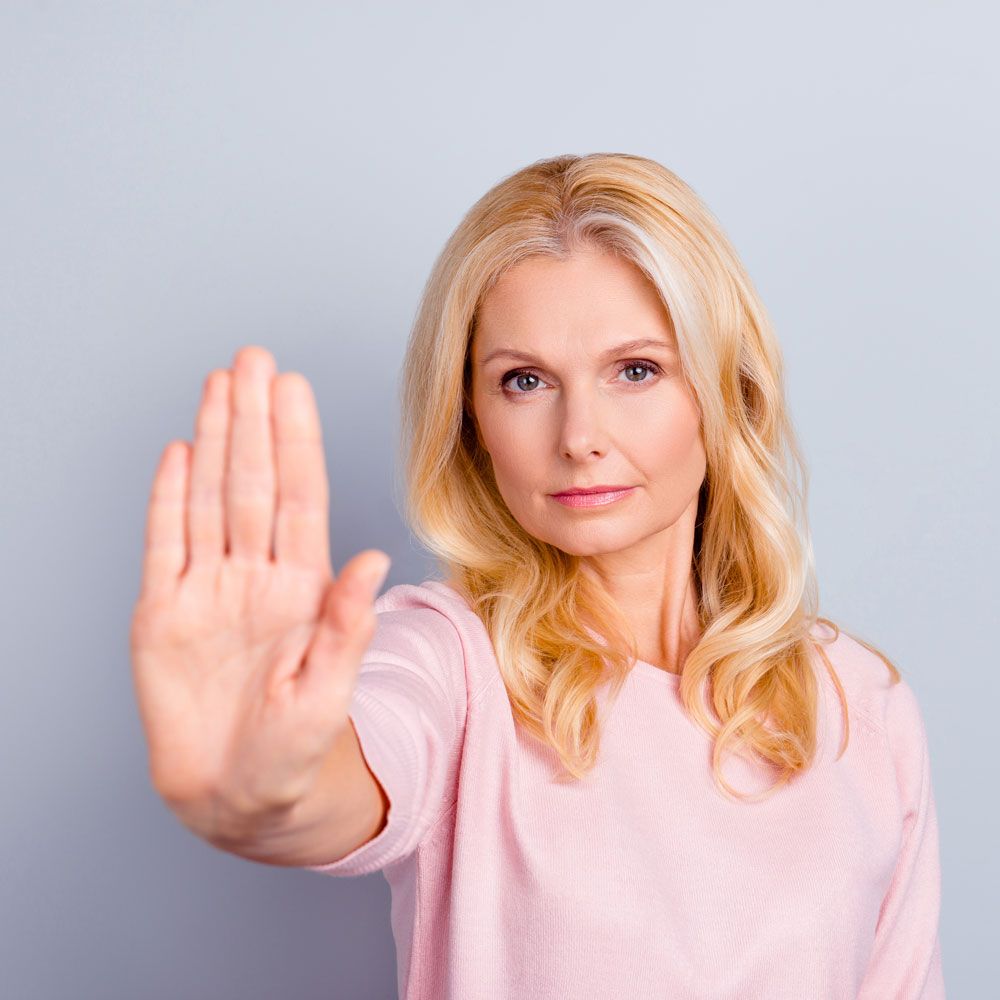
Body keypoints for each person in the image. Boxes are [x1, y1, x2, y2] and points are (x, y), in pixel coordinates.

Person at [130, 152, 945, 999]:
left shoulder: (862, 705)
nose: (578, 436)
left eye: (636, 370)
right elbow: (340, 778)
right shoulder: (450, 660)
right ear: (472, 419)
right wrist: (266, 783)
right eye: (524, 381)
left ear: (725, 389)